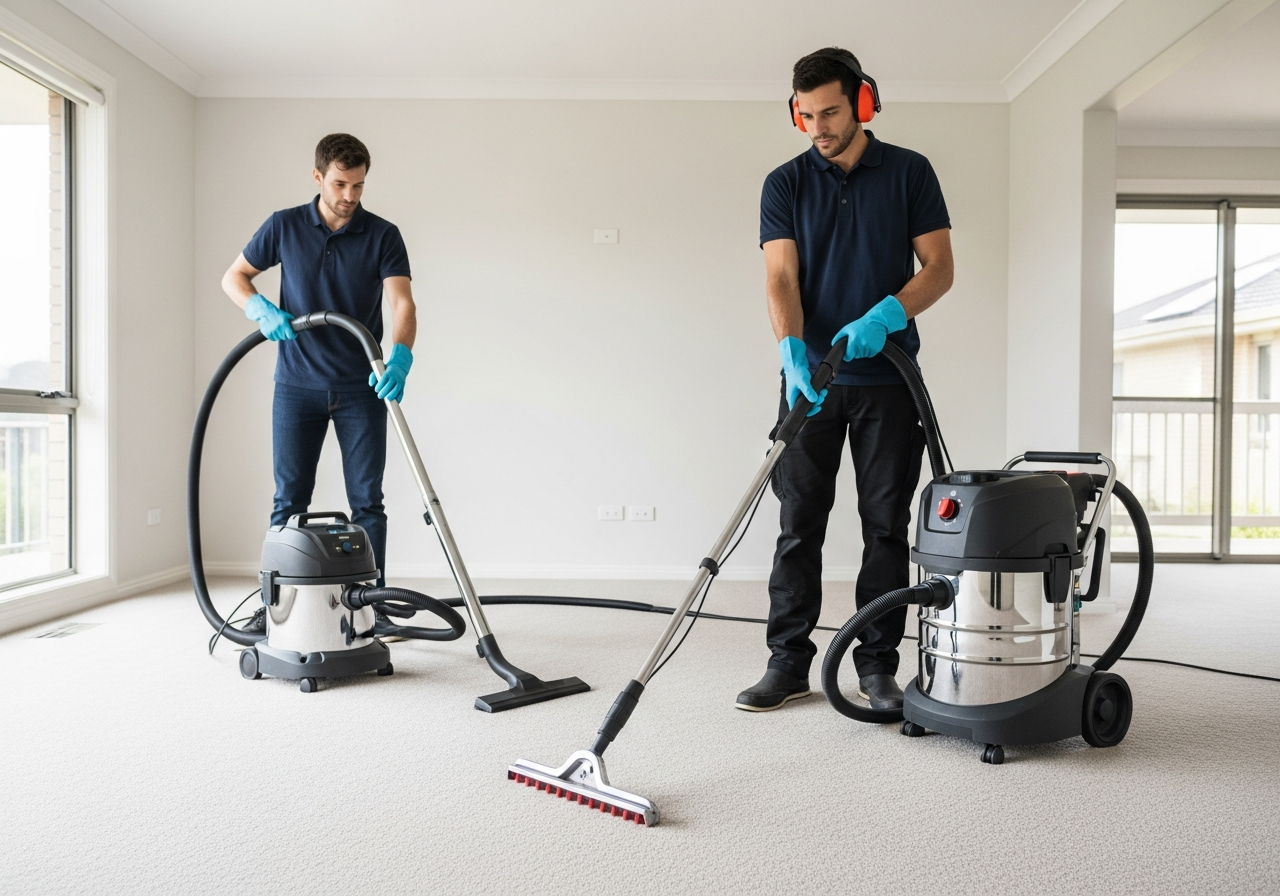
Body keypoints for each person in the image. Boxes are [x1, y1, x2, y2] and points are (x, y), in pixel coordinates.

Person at [736, 48, 954, 712]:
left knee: (884, 526)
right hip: (813, 384)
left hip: (889, 384)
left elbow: (939, 267)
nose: (817, 127)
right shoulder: (786, 183)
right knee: (799, 524)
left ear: (862, 103)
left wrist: (890, 311)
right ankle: (787, 661)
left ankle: (878, 666)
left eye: (830, 112)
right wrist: (791, 350)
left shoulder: (910, 172)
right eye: (805, 115)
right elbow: (781, 275)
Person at [221, 133, 416, 627]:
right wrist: (258, 306)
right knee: (289, 501)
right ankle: (275, 610)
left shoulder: (382, 234)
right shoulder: (285, 225)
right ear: (318, 177)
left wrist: (400, 356)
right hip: (296, 385)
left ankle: (374, 612)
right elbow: (234, 277)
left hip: (362, 387)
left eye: (359, 186)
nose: (349, 196)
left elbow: (402, 302)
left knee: (367, 502)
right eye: (340, 184)